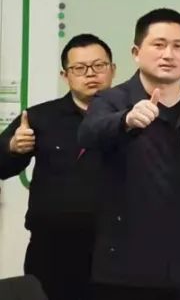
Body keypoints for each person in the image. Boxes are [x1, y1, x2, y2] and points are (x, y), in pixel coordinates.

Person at [78, 9, 180, 300]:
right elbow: (89, 134)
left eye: (179, 46)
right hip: (127, 267)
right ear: (136, 52)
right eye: (159, 44)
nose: (168, 54)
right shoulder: (112, 100)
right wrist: (125, 120)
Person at [0, 34, 115, 300]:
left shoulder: (132, 116)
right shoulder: (39, 117)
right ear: (65, 75)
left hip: (117, 251)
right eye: (79, 68)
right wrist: (12, 148)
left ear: (113, 69)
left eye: (99, 65)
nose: (91, 74)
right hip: (53, 252)